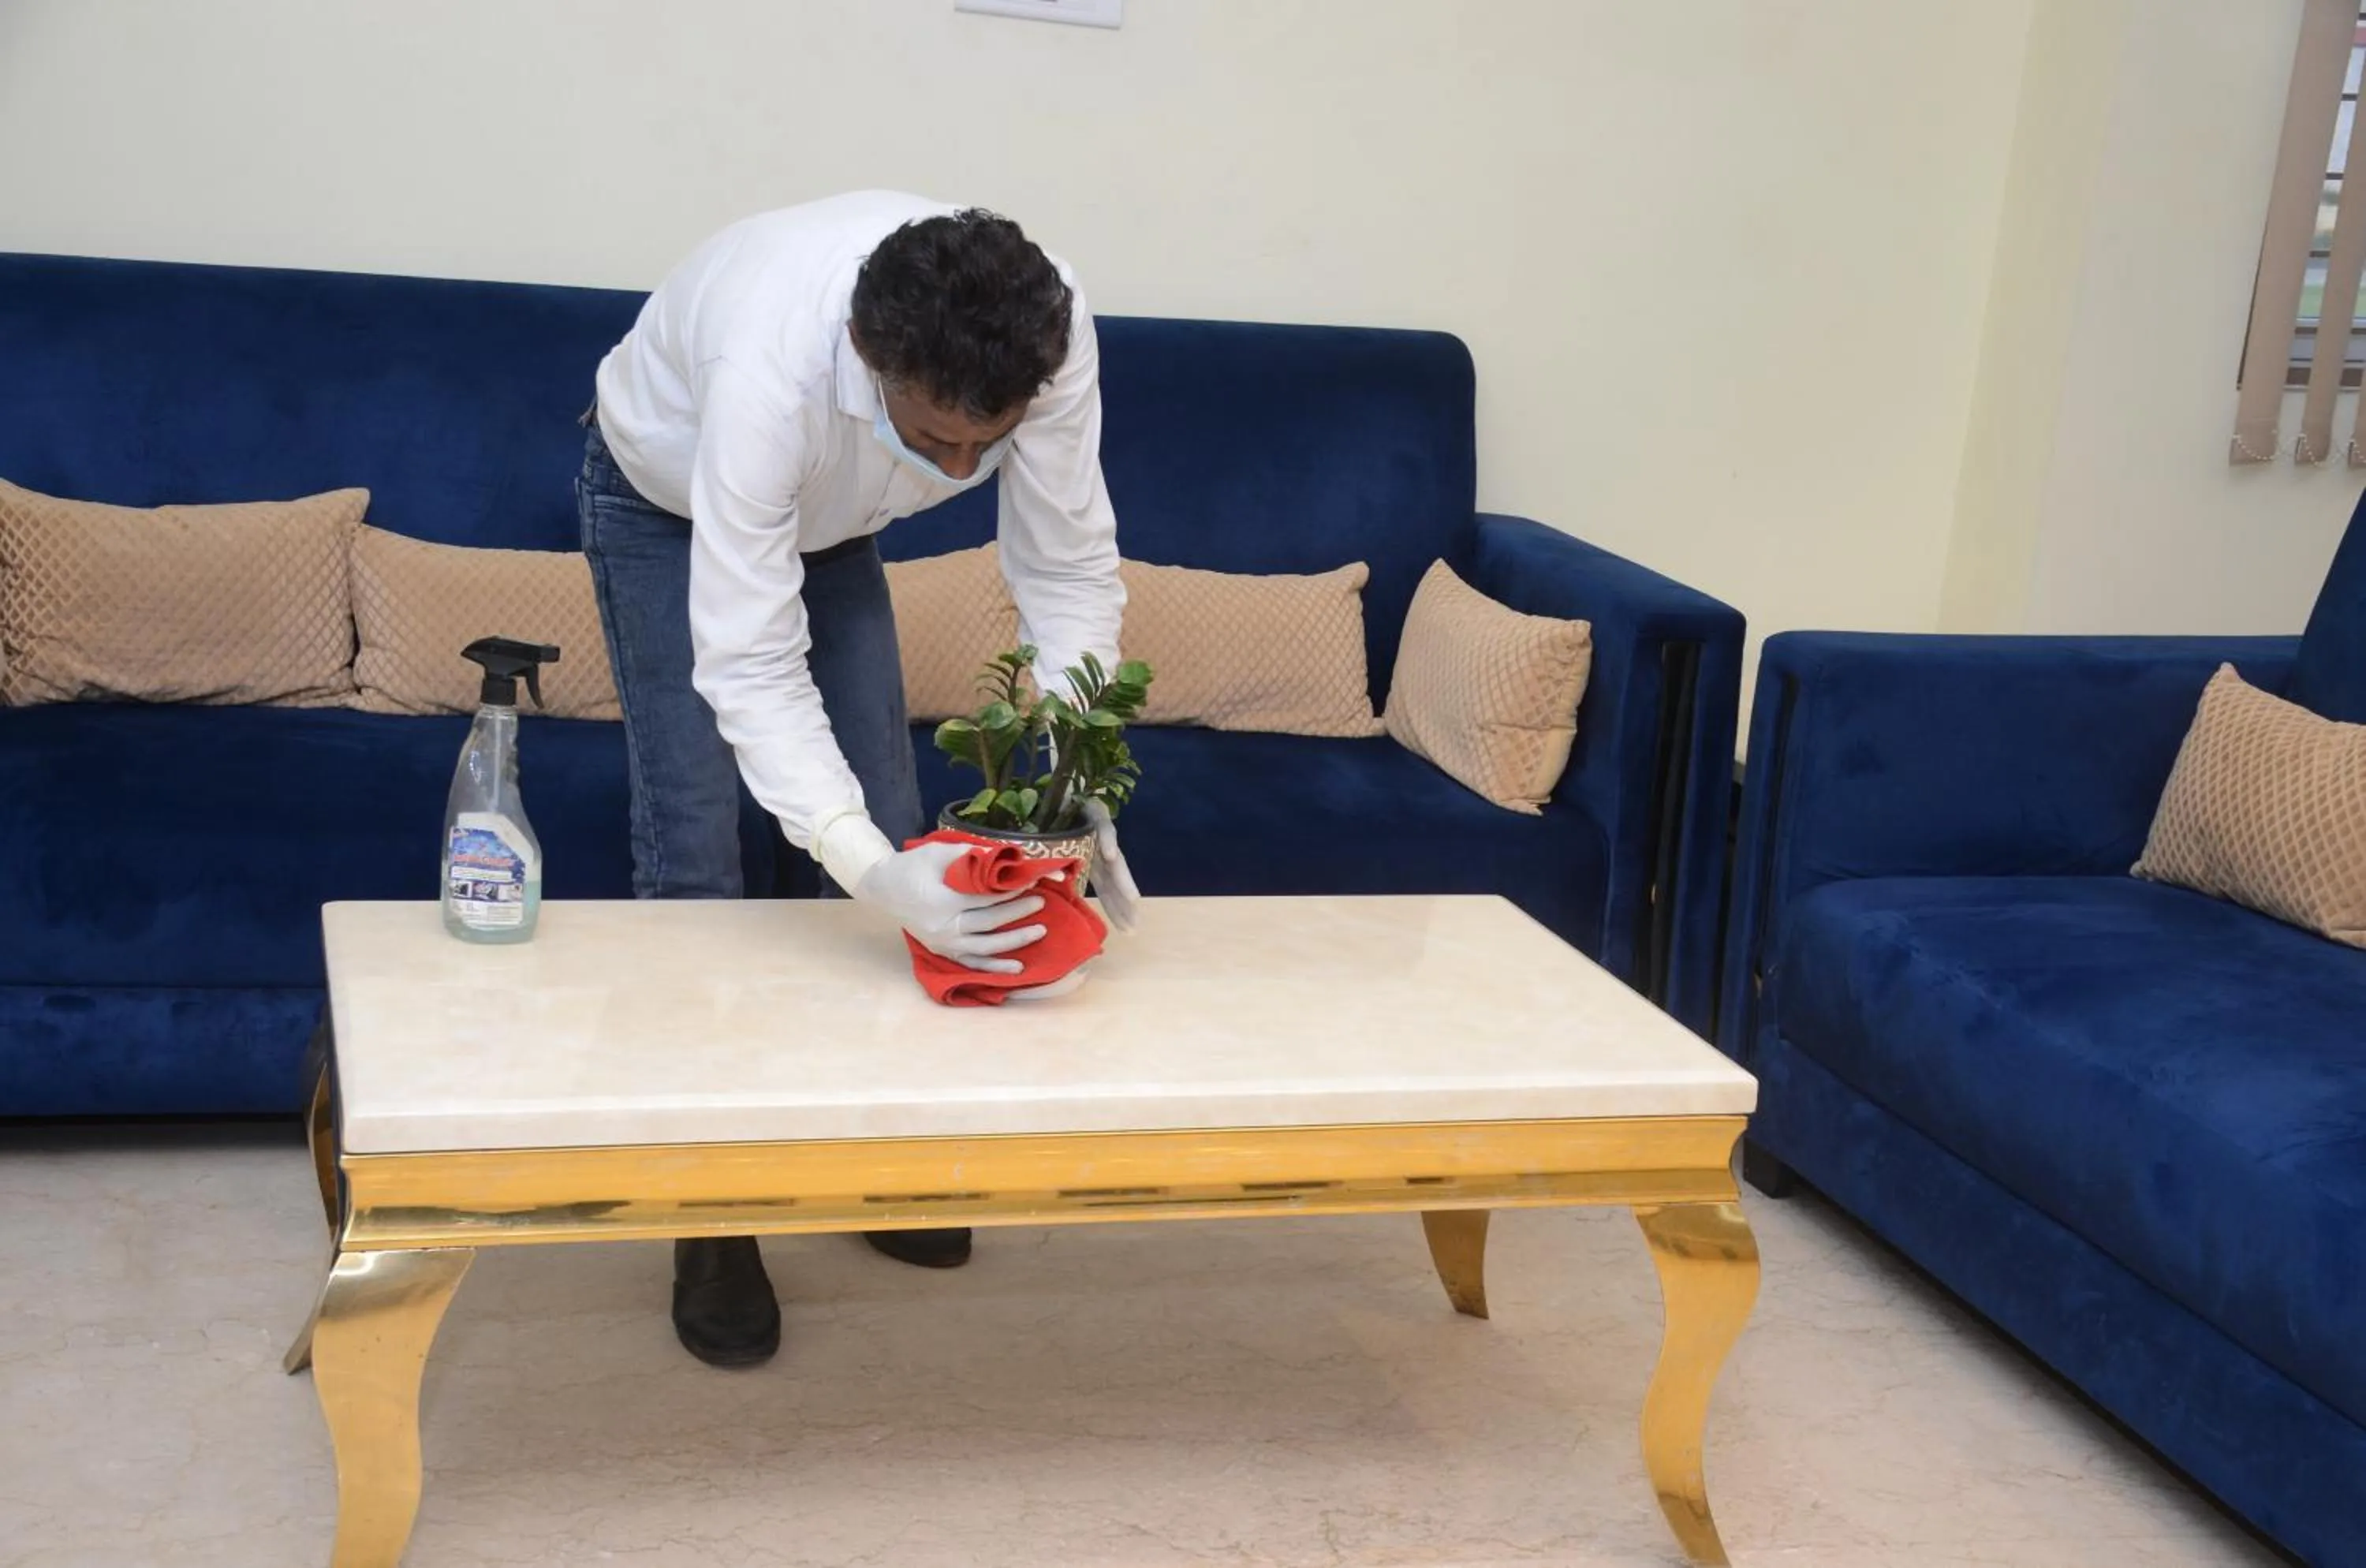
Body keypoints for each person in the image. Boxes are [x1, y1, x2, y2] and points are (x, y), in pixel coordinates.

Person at [577, 192, 1136, 1368]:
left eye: (989, 442)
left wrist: (1080, 762)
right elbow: (751, 666)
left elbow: (1066, 559)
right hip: (665, 499)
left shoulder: (1052, 330)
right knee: (700, 854)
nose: (964, 467)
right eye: (936, 439)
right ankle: (714, 1217)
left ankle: (877, 1164)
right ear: (872, 360)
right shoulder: (768, 371)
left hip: (833, 524)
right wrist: (873, 871)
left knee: (887, 822)